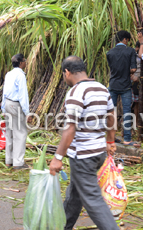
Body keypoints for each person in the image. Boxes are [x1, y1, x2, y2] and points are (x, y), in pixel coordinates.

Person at [49, 56, 119, 230]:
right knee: (75, 194)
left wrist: (58, 157)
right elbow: (111, 118)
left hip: (83, 156)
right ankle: (62, 226)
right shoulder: (102, 88)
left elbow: (70, 129)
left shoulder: (76, 92)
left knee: (93, 200)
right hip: (98, 153)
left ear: (67, 72)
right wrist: (110, 141)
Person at [106, 30, 139, 147]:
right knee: (127, 112)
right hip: (125, 86)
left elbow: (113, 69)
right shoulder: (130, 51)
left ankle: (111, 138)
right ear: (125, 39)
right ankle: (127, 139)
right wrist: (128, 71)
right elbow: (134, 69)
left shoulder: (109, 53)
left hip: (113, 85)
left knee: (110, 112)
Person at [1, 54, 30, 170]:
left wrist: (3, 108)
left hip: (7, 103)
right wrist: (27, 112)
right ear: (21, 63)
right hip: (15, 105)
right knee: (20, 133)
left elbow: (4, 91)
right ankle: (18, 163)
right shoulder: (20, 75)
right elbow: (23, 95)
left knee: (10, 132)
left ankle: (9, 161)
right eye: (25, 61)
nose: (26, 62)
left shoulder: (9, 74)